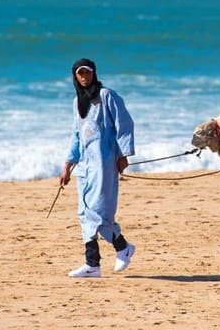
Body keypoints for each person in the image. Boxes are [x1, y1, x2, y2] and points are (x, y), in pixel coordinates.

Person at [59, 58, 137, 278]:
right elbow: (77, 135)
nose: (84, 77)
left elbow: (125, 124)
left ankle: (122, 247)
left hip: (104, 162)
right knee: (84, 212)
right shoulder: (77, 102)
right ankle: (93, 264)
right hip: (85, 165)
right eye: (79, 73)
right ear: (75, 76)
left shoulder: (107, 96)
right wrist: (68, 165)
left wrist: (124, 154)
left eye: (87, 72)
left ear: (93, 74)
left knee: (98, 210)